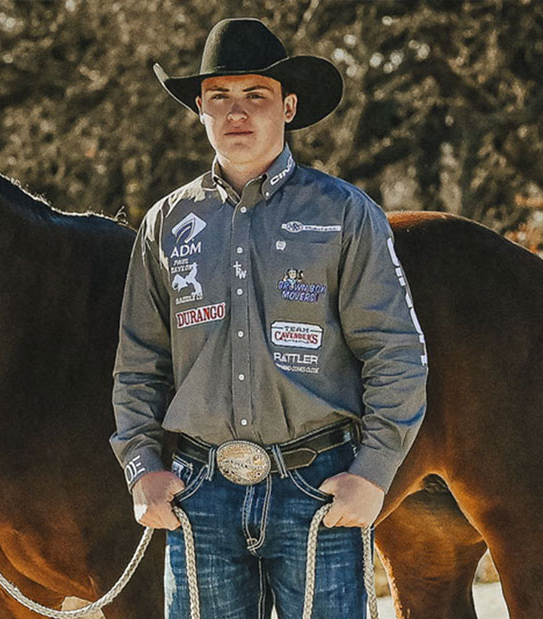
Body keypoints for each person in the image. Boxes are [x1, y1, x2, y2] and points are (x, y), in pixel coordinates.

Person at [111, 17, 428, 618]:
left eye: (254, 96)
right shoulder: (166, 225)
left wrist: (374, 471)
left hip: (318, 486)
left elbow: (396, 352)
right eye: (219, 98)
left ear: (287, 106)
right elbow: (138, 365)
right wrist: (141, 468)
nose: (236, 113)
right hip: (199, 491)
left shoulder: (345, 214)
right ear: (199, 111)